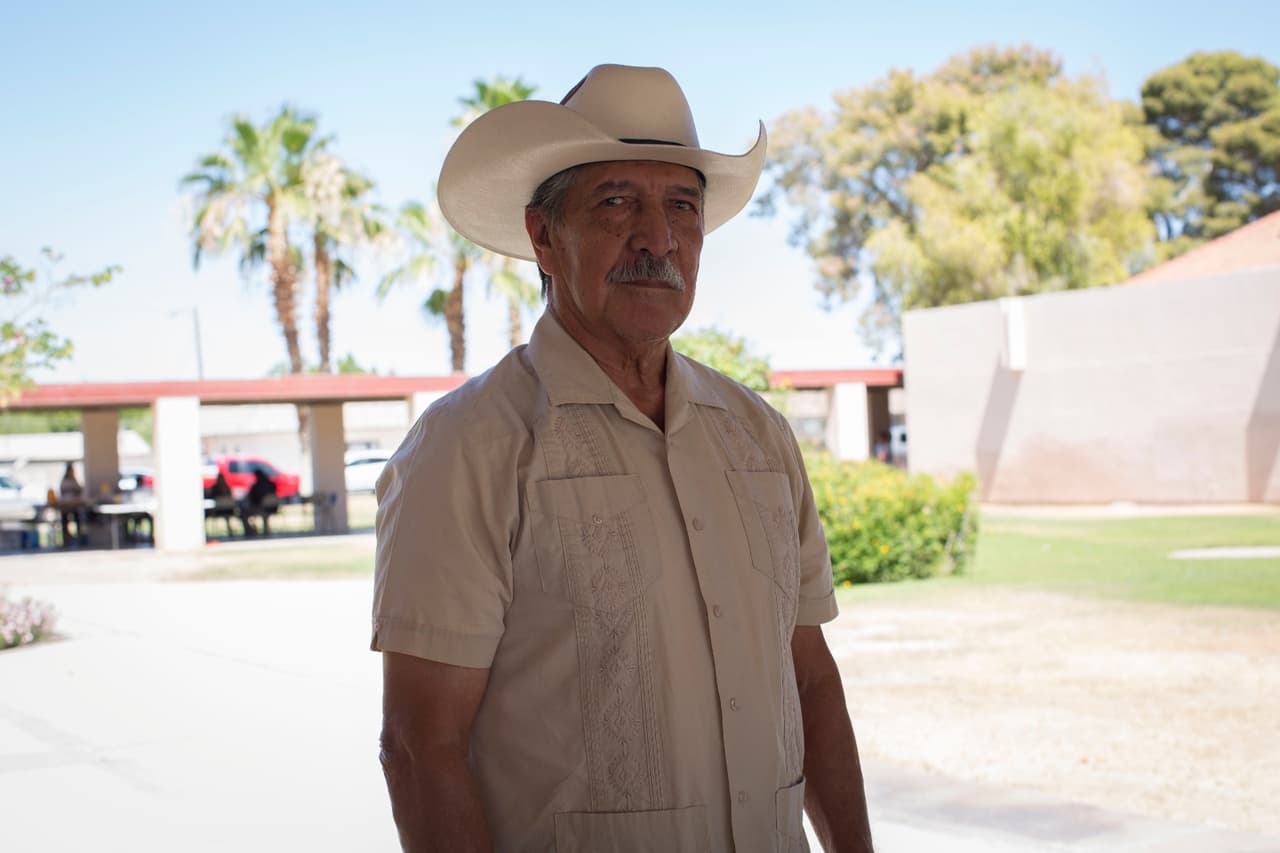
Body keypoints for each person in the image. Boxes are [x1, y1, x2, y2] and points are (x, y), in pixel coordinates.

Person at [373, 64, 874, 853]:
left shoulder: (759, 436)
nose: (657, 237)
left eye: (682, 205)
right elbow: (419, 744)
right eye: (616, 202)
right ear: (544, 235)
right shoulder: (467, 447)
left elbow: (808, 678)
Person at [239, 469, 277, 536]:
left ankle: (250, 531)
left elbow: (252, 499)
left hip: (261, 508)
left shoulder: (256, 487)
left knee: (243, 514)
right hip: (273, 507)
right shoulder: (272, 485)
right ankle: (254, 530)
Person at [57, 462, 86, 547]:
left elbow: (80, 491)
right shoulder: (64, 481)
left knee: (78, 519)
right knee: (64, 520)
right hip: (65, 506)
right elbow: (62, 492)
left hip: (74, 505)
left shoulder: (75, 480)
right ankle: (66, 539)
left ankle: (79, 538)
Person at [205, 472, 237, 537]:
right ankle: (230, 531)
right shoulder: (227, 487)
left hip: (219, 511)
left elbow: (211, 497)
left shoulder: (215, 488)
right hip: (229, 510)